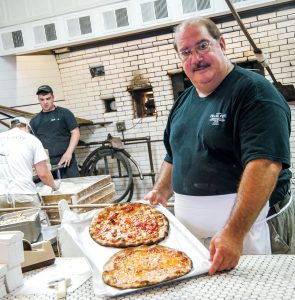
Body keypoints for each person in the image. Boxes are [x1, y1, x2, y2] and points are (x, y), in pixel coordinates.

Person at [144, 17, 294, 275]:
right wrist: (160, 191)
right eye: (186, 52)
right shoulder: (184, 102)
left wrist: (234, 233)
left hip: (250, 231)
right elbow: (174, 155)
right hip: (196, 238)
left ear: (221, 43)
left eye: (203, 46)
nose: (196, 58)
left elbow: (265, 165)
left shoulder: (254, 93)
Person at [0, 117, 59, 209]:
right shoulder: (32, 139)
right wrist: (55, 187)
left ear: (11, 127)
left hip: (1, 196)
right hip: (24, 194)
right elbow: (43, 174)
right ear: (27, 127)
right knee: (39, 222)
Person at [30, 85, 80, 178]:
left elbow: (75, 132)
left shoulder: (64, 113)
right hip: (47, 166)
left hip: (67, 161)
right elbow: (32, 143)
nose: (45, 102)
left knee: (73, 189)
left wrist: (69, 153)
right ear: (39, 100)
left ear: (53, 98)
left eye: (48, 98)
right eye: (42, 99)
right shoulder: (35, 121)